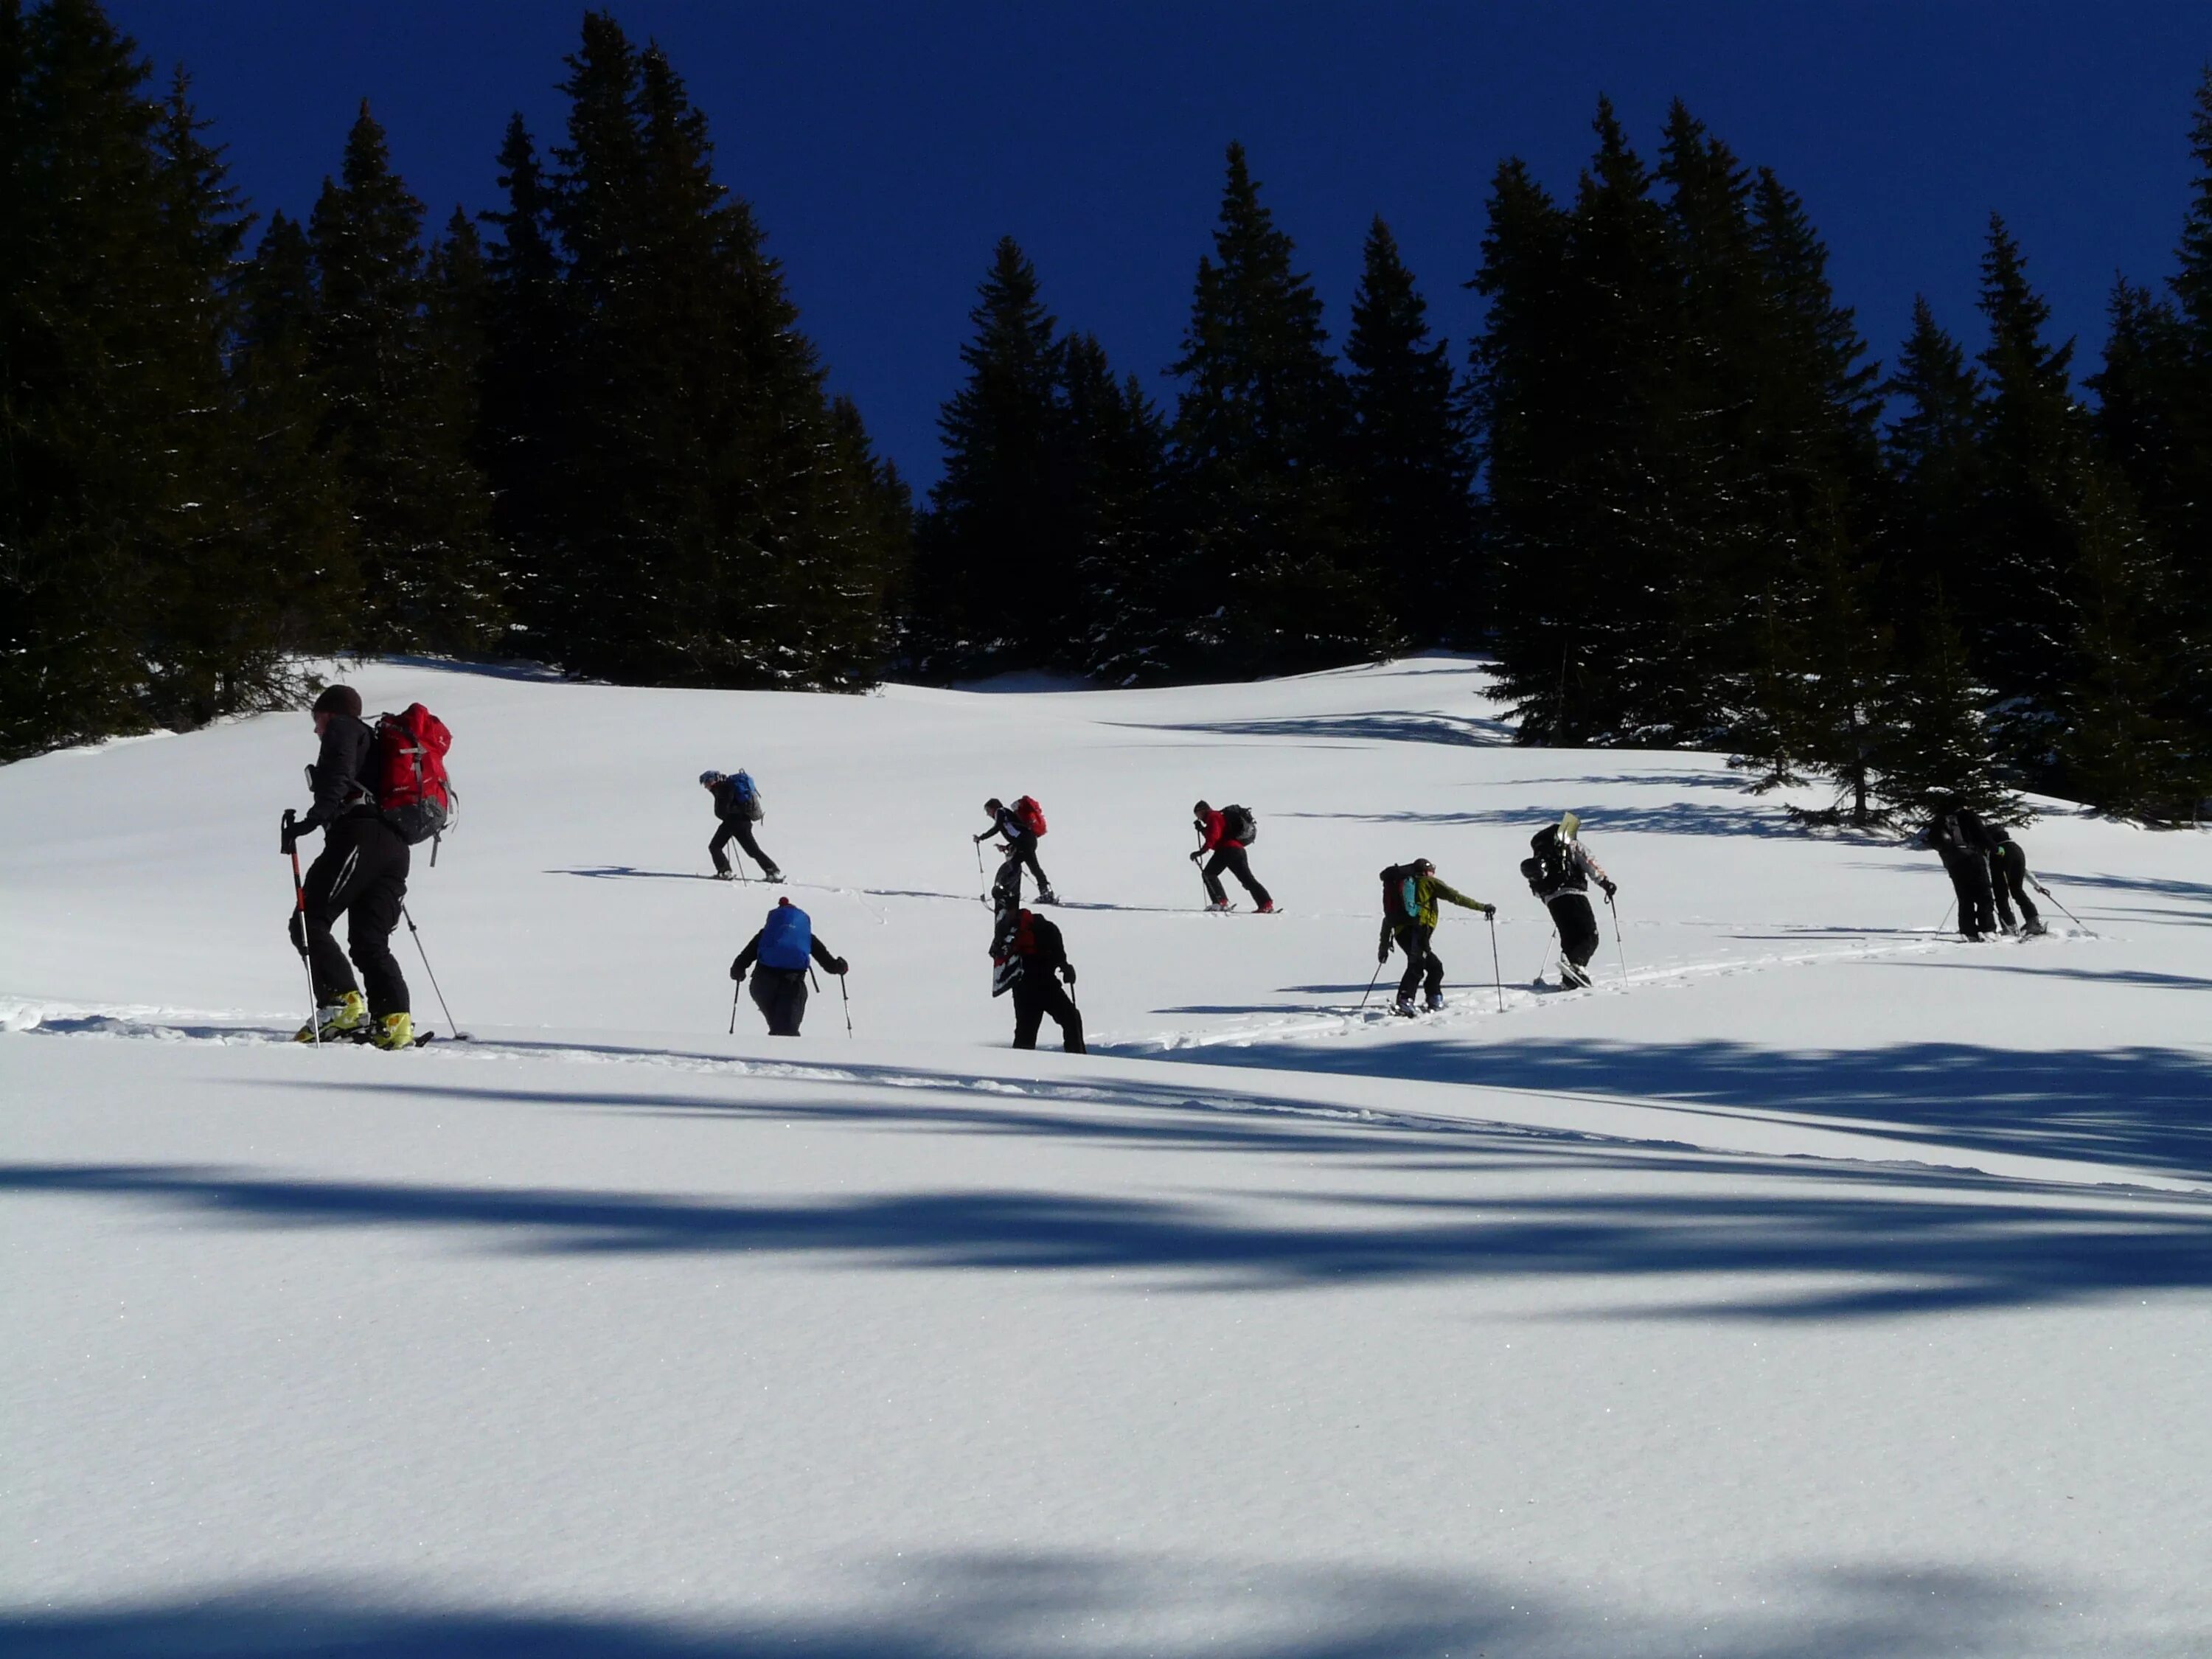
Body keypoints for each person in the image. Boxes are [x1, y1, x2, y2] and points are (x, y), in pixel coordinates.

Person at [285, 684, 414, 1048]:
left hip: (360, 834)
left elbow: (339, 773)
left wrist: (314, 817)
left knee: (308, 922)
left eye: (316, 719)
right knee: (369, 940)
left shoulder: (344, 728)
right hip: (395, 845)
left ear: (330, 712)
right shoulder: (374, 742)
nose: (316, 729)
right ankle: (394, 1021)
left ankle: (341, 1006)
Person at [1377, 858, 1495, 1015]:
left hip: (1402, 934)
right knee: (1417, 965)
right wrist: (1482, 907)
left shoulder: (1403, 888)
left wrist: (1383, 948)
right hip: (1418, 930)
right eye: (1432, 870)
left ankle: (1434, 998)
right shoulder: (1429, 883)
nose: (1433, 873)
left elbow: (1388, 920)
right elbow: (1456, 897)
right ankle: (1405, 1001)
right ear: (1426, 871)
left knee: (1434, 967)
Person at [1520, 813, 1615, 988]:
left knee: (1570, 937)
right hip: (1573, 892)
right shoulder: (1568, 844)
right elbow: (1588, 860)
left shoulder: (1542, 851)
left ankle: (1569, 979)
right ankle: (1576, 965)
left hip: (1551, 899)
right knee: (1589, 935)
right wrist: (1605, 882)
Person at [728, 897, 845, 1036]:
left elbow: (742, 960)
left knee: (778, 1027)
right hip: (792, 984)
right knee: (786, 1031)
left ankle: (772, 1053)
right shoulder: (805, 936)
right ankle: (782, 1055)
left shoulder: (766, 934)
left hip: (761, 984)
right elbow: (830, 965)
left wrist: (738, 972)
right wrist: (841, 967)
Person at [992, 898, 1085, 1053]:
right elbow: (1059, 957)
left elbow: (997, 956)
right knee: (1071, 1019)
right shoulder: (1045, 928)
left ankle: (1021, 1071)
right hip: (1041, 986)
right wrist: (1066, 969)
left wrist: (1065, 967)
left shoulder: (1014, 931)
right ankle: (1077, 1058)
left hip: (1028, 988)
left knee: (1026, 1034)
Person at [1923, 801, 1999, 941]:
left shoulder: (1941, 820)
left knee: (1965, 898)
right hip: (1972, 859)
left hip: (1953, 863)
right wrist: (1995, 849)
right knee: (1984, 895)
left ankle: (1968, 931)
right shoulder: (1968, 816)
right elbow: (1982, 834)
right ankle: (1987, 930)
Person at [1189, 801, 1274, 912]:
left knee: (1209, 874)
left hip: (1226, 849)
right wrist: (1202, 829)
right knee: (1247, 879)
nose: (1199, 818)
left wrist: (1202, 851)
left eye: (1198, 814)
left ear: (1203, 810)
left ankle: (1220, 902)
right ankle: (1266, 903)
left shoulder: (1213, 816)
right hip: (1237, 849)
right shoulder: (1218, 817)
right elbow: (1216, 834)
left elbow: (1214, 836)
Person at [700, 770, 782, 883]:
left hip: (733, 822)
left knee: (715, 847)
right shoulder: (726, 786)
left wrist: (722, 814)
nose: (707, 786)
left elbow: (723, 810)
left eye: (707, 783)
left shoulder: (722, 788)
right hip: (742, 822)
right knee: (752, 850)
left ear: (713, 780)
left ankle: (725, 871)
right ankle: (772, 872)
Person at [975, 796, 1055, 905]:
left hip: (1026, 843)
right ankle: (1042, 892)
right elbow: (1016, 834)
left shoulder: (1001, 811)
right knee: (1021, 866)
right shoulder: (1005, 815)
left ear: (994, 808)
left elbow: (997, 828)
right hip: (1026, 842)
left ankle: (1013, 892)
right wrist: (1007, 847)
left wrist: (981, 837)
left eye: (988, 810)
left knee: (1022, 866)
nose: (988, 814)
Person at [1985, 822, 2045, 937]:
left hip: (2000, 856)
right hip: (2018, 853)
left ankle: (2010, 927)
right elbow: (2025, 871)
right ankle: (2034, 921)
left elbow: (1987, 867)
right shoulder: (2015, 846)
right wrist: (2037, 885)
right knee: (2017, 890)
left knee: (2001, 895)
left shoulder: (1993, 848)